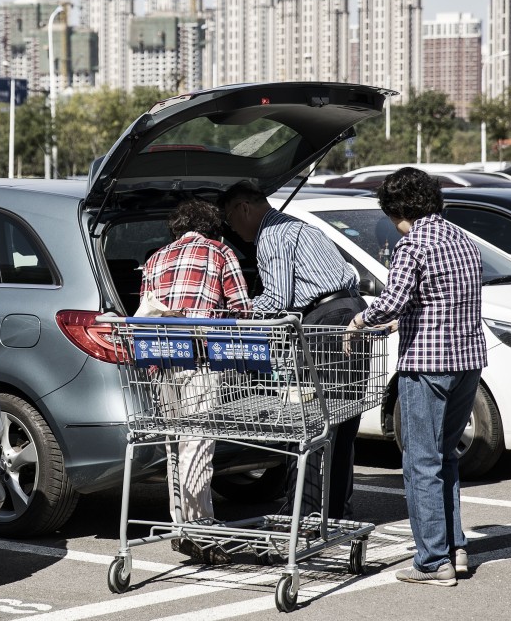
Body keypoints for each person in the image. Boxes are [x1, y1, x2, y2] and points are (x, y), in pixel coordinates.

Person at [349, 167, 485, 587]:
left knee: (421, 462)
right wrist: (401, 323)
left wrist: (359, 321)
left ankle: (432, 562)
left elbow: (391, 301)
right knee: (444, 458)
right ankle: (454, 547)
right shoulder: (462, 239)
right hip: (467, 362)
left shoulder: (414, 243)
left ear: (398, 210)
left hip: (426, 366)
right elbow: (439, 300)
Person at [219, 181, 367, 521]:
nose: (233, 230)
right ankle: (336, 513)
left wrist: (232, 312)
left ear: (243, 207)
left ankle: (308, 515)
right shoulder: (301, 227)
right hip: (350, 314)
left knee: (314, 424)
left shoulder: (271, 235)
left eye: (230, 219)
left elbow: (276, 301)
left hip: (323, 323)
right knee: (342, 424)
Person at [141, 198, 252, 565]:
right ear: (212, 226)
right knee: (198, 445)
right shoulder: (220, 253)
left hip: (161, 359)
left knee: (178, 446)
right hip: (200, 360)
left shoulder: (155, 258)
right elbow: (242, 309)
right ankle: (198, 529)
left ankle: (185, 526)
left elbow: (147, 311)